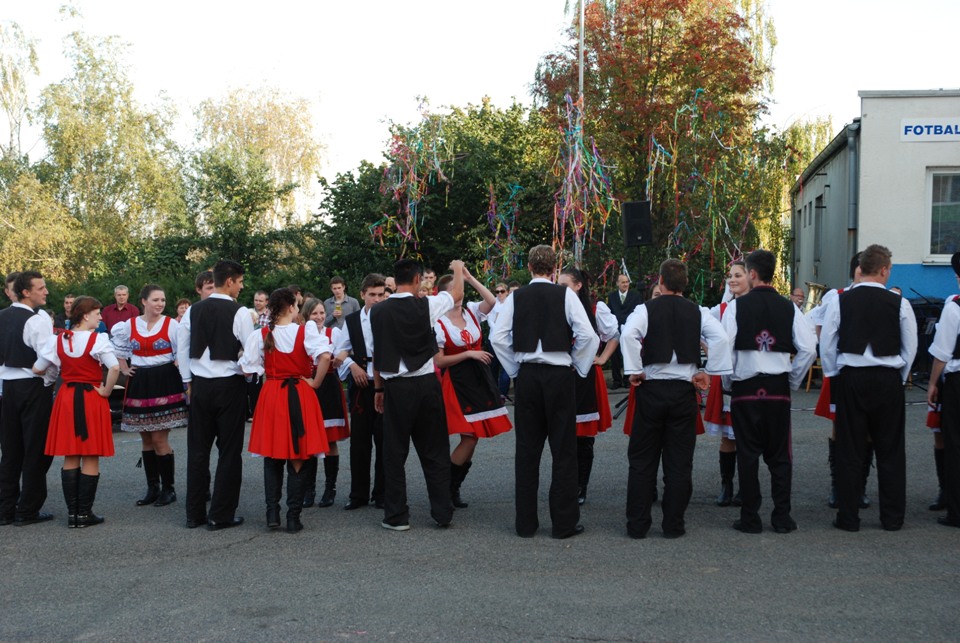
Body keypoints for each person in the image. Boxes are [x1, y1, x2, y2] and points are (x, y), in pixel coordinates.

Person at [491, 245, 599, 539]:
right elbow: (588, 335)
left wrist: (515, 370)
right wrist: (578, 366)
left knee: (527, 450)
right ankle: (563, 524)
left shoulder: (516, 297)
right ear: (554, 269)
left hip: (528, 375)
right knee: (564, 450)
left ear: (529, 267)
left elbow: (497, 337)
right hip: (558, 375)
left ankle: (525, 524)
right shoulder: (565, 295)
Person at [621, 259, 732, 539]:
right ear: (685, 283)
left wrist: (635, 369)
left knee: (642, 460)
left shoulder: (646, 309)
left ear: (660, 281)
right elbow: (721, 339)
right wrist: (709, 371)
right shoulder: (697, 311)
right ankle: (673, 525)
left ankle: (637, 525)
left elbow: (629, 334)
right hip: (683, 391)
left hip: (652, 388)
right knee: (679, 462)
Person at [821, 244, 917, 532]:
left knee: (850, 449)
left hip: (852, 377)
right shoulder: (899, 303)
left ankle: (848, 518)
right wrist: (899, 376)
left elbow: (827, 343)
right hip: (887, 378)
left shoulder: (841, 300)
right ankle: (892, 518)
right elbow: (910, 345)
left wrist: (834, 373)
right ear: (884, 270)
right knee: (891, 450)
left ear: (860, 269)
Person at [722, 249, 816, 534]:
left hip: (746, 387)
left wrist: (729, 382)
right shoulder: (789, 307)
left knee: (747, 453)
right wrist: (792, 380)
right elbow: (809, 348)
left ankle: (750, 518)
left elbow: (725, 348)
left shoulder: (736, 307)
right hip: (777, 388)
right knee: (780, 455)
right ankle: (782, 517)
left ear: (752, 274)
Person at [371, 259, 464, 531]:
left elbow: (377, 352)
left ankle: (396, 516)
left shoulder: (377, 311)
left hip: (396, 386)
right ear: (416, 280)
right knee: (435, 450)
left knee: (394, 453)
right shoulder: (427, 305)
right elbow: (457, 293)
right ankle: (442, 512)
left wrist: (378, 388)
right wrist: (458, 269)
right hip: (425, 384)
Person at [241, 288, 331, 532]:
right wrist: (315, 382)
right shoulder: (305, 330)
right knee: (299, 454)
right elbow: (325, 357)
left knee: (272, 454)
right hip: (300, 393)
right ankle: (293, 517)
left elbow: (247, 368)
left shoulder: (261, 334)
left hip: (272, 394)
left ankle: (272, 513)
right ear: (291, 307)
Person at [177, 260, 254, 531]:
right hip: (229, 385)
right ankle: (220, 514)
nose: (241, 287)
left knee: (198, 451)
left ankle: (194, 513)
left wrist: (187, 380)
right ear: (230, 281)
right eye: (240, 282)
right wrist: (246, 370)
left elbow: (182, 348)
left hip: (199, 386)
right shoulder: (239, 311)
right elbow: (251, 350)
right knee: (229, 451)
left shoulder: (193, 310)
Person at [36, 296, 119, 527]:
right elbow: (114, 367)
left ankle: (73, 515)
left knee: (70, 454)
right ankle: (84, 514)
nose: (100, 317)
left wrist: (53, 377)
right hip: (91, 397)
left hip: (67, 397)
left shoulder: (58, 339)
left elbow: (38, 368)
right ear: (85, 315)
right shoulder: (98, 339)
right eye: (97, 313)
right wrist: (106, 391)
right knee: (90, 454)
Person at [434, 267, 512, 509]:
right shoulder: (438, 322)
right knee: (468, 437)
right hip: (457, 382)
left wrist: (468, 278)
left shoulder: (471, 311)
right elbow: (439, 361)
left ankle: (452, 489)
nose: (459, 294)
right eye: (454, 290)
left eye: (460, 289)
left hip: (479, 380)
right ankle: (444, 490)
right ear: (444, 295)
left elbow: (493, 301)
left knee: (474, 438)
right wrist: (469, 353)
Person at [110, 284, 187, 507]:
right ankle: (153, 488)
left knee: (159, 438)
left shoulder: (171, 324)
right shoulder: (129, 325)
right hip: (140, 381)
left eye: (162, 300)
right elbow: (118, 348)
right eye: (155, 300)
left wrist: (177, 365)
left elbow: (182, 351)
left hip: (164, 380)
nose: (160, 304)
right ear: (144, 301)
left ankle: (168, 489)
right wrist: (124, 368)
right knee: (145, 438)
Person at [812, 253, 874, 509]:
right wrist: (830, 364)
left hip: (869, 371)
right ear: (856, 270)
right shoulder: (836, 296)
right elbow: (819, 323)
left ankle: (860, 487)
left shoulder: (879, 297)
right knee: (840, 428)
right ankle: (838, 486)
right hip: (841, 371)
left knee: (868, 429)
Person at [558, 267, 619, 505]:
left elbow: (614, 335)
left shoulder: (595, 309)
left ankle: (580, 485)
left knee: (583, 437)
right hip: (562, 376)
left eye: (564, 285)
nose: (560, 290)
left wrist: (602, 358)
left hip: (586, 377)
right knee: (563, 435)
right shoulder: (556, 308)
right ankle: (566, 482)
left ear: (578, 286)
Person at [0, 271, 56, 526]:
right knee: (35, 448)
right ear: (26, 292)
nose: (46, 291)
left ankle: (5, 509)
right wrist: (44, 374)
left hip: (8, 389)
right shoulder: (36, 320)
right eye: (41, 288)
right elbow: (49, 355)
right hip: (32, 387)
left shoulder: (2, 316)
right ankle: (27, 509)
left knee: (10, 449)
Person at [334, 274, 387, 510]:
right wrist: (352, 365)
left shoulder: (389, 316)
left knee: (385, 441)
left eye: (381, 295)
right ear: (363, 294)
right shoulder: (353, 320)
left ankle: (382, 493)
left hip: (386, 384)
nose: (377, 299)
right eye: (372, 295)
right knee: (360, 443)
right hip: (362, 385)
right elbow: (340, 350)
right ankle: (358, 494)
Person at [704, 261, 750, 507]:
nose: (732, 280)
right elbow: (698, 328)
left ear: (750, 277)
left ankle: (745, 486)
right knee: (727, 437)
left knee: (746, 436)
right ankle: (727, 484)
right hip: (726, 380)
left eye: (738, 275)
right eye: (730, 275)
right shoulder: (720, 309)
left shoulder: (755, 306)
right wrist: (710, 351)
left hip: (748, 378)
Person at [301, 298, 350, 508]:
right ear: (306, 316)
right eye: (314, 314)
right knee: (309, 440)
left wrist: (341, 356)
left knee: (330, 441)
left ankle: (330, 488)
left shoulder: (334, 333)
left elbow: (345, 350)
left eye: (322, 313)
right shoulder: (302, 334)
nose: (319, 317)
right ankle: (309, 489)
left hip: (328, 386)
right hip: (308, 386)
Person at [927, 252, 960, 527]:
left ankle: (956, 510)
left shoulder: (954, 307)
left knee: (955, 444)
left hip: (958, 381)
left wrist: (932, 383)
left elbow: (942, 352)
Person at [607, 274, 642, 389]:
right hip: (615, 330)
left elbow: (638, 313)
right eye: (623, 282)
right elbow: (609, 313)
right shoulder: (612, 296)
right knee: (614, 356)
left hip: (630, 330)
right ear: (617, 283)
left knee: (628, 355)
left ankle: (627, 380)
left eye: (627, 282)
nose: (625, 284)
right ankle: (616, 380)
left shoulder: (635, 296)